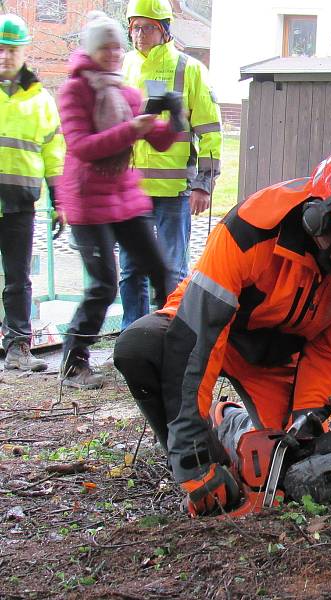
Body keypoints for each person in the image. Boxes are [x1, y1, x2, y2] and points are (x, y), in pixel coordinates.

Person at [113, 145, 331, 517]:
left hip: (274, 354)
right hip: (203, 329)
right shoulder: (250, 229)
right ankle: (208, 447)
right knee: (139, 349)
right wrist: (194, 462)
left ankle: (230, 424)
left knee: (295, 466)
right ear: (319, 223)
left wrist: (306, 417)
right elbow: (196, 341)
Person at [56, 11, 179, 389]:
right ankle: (74, 364)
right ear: (92, 52)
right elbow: (82, 147)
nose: (112, 53)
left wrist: (173, 118)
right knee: (104, 285)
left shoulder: (127, 93)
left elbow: (158, 139)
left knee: (161, 272)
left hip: (125, 196)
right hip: (86, 201)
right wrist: (132, 129)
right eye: (104, 47)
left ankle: (167, 348)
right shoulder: (74, 92)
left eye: (116, 46)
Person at [119, 0, 222, 329]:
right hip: (131, 191)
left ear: (164, 30)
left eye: (147, 27)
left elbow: (209, 131)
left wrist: (204, 184)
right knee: (131, 270)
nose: (139, 35)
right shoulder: (124, 67)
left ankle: (168, 335)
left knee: (172, 270)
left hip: (175, 190)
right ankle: (131, 336)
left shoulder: (188, 69)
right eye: (134, 27)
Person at [0, 14, 65, 372]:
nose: (4, 57)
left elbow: (53, 155)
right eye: (0, 49)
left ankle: (17, 347)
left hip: (20, 203)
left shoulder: (39, 100)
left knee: (17, 278)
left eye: (11, 50)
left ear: (23, 52)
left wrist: (59, 203)